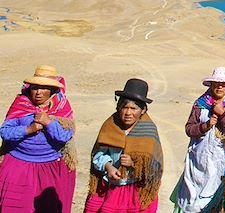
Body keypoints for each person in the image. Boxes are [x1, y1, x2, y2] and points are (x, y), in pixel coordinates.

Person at [0, 65, 77, 211]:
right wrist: (28, 129)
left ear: (53, 90)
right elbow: (5, 132)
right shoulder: (21, 104)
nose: (38, 93)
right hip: (18, 165)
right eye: (35, 88)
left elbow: (65, 136)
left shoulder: (61, 107)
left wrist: (48, 123)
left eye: (44, 88)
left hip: (50, 168)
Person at [84, 78, 163, 213]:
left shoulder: (149, 132)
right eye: (124, 107)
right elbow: (98, 155)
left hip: (134, 191)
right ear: (118, 107)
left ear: (143, 110)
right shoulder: (110, 126)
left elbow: (154, 167)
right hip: (108, 187)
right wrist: (108, 166)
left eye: (133, 108)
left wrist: (134, 164)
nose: (128, 113)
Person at [172, 67, 225, 213]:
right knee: (191, 198)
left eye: (223, 84)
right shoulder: (200, 103)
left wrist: (222, 114)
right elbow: (189, 129)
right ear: (211, 85)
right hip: (197, 161)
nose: (219, 86)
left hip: (221, 162)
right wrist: (205, 126)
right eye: (216, 83)